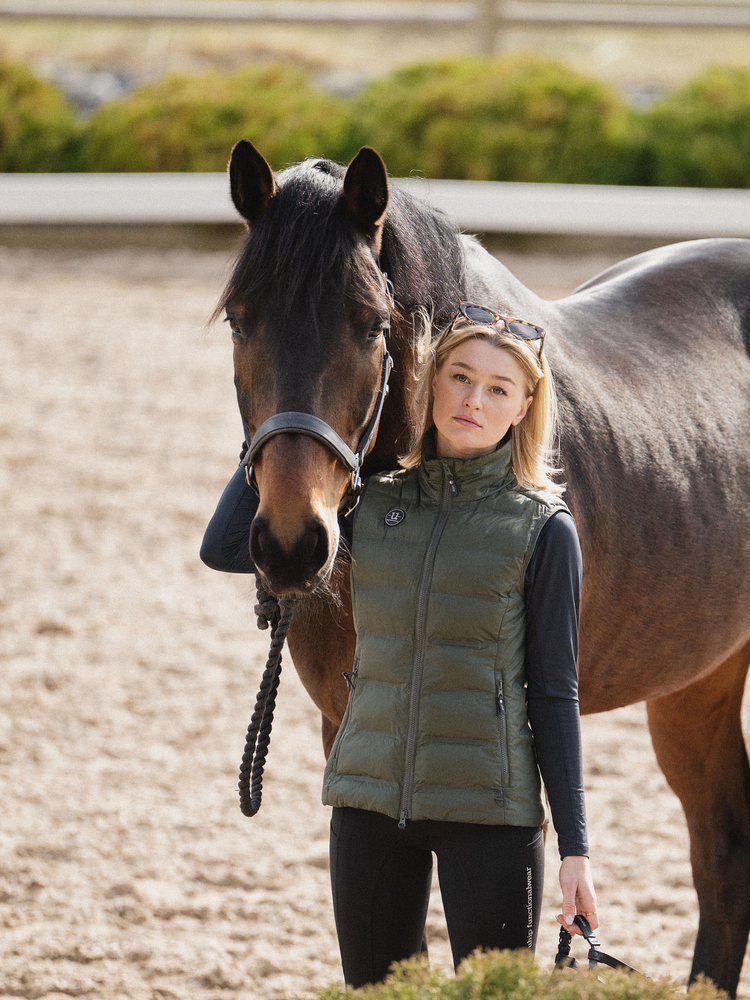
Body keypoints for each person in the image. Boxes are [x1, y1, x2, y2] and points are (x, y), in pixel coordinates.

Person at [201, 302, 598, 989]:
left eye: (498, 388)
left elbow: (555, 690)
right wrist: (278, 429)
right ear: (429, 383)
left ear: (525, 406)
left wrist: (576, 850)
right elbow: (226, 547)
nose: (473, 400)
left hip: (491, 816)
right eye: (460, 377)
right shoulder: (369, 502)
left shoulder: (544, 528)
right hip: (369, 810)